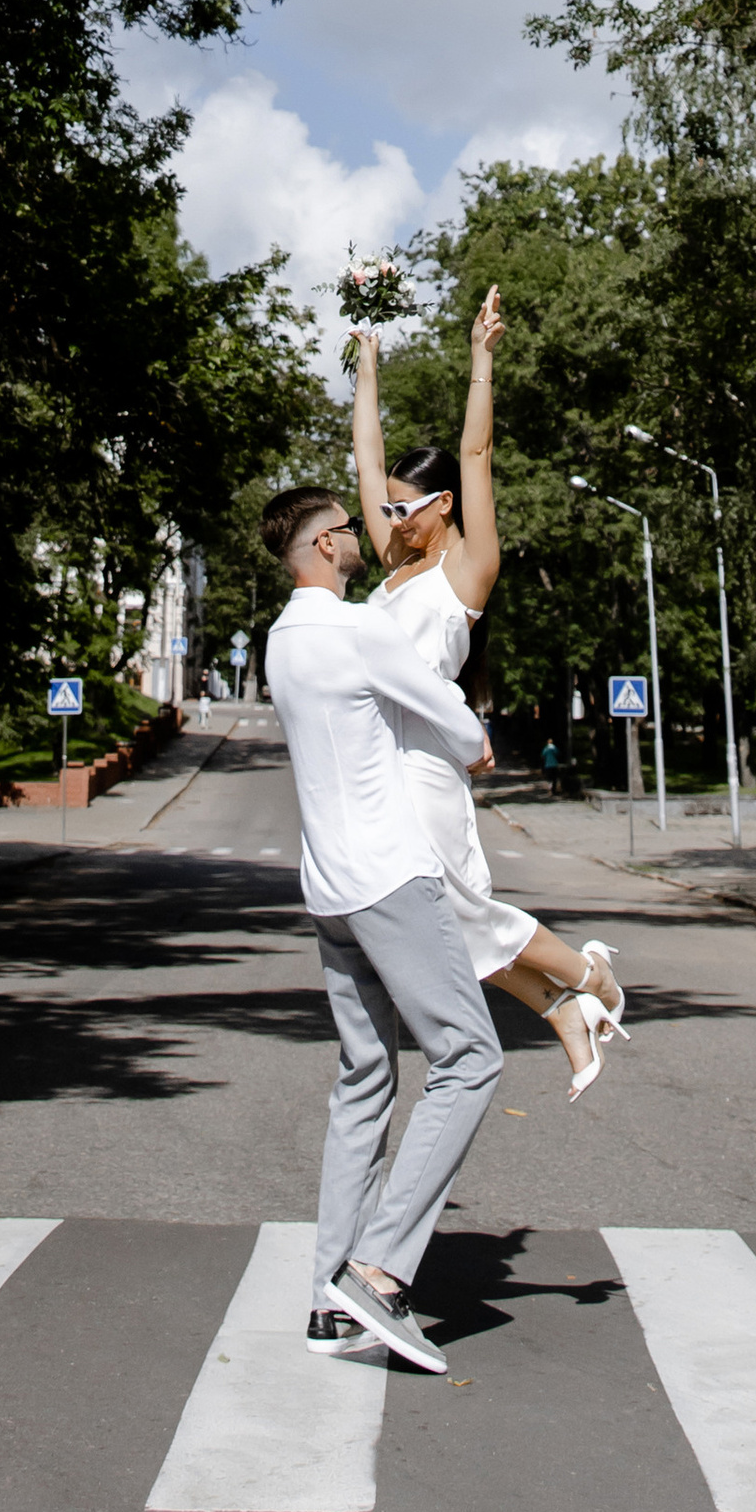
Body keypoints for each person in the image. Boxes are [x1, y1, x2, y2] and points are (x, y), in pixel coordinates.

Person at [351, 288, 630, 1098]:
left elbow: (476, 454)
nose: (391, 517)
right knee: (434, 922)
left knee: (449, 912)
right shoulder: (397, 561)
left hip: (424, 763)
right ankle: (566, 1008)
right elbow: (365, 460)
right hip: (379, 757)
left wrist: (482, 358)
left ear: (442, 507)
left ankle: (586, 975)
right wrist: (367, 366)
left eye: (405, 507)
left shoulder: (467, 568)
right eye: (388, 508)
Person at [261, 482, 503, 1379]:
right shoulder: (360, 628)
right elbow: (444, 708)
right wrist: (475, 743)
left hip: (328, 888)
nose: (365, 534)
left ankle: (330, 1298)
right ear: (324, 546)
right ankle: (378, 1272)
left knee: (365, 1078)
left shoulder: (281, 640)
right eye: (347, 528)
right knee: (470, 1058)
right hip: (391, 878)